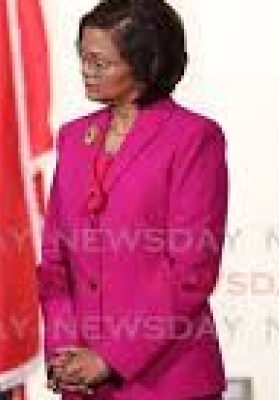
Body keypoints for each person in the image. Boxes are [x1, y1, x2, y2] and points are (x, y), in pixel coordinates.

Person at [39, 0, 228, 399]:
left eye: (100, 62)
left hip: (167, 383)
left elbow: (191, 271)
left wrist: (109, 358)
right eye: (82, 57)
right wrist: (64, 353)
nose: (85, 71)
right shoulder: (74, 138)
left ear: (145, 66)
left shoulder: (194, 138)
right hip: (83, 384)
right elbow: (55, 264)